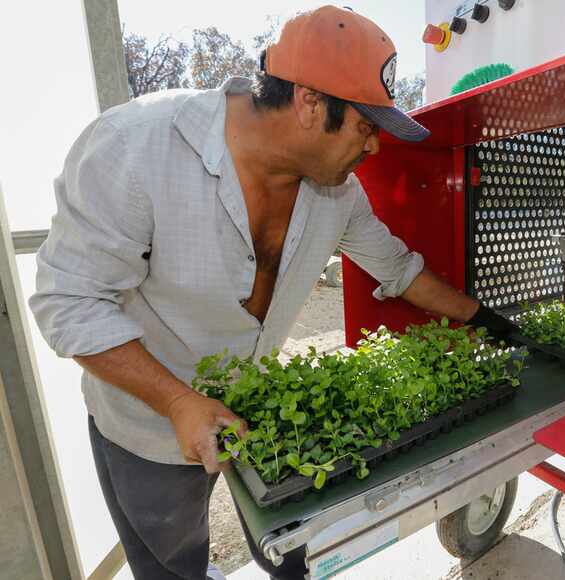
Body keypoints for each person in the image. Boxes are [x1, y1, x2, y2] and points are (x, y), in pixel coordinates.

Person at [30, 5, 519, 580]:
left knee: (290, 552)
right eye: (365, 127)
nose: (374, 148)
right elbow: (69, 302)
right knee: (172, 565)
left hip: (254, 405)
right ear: (310, 103)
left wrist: (487, 319)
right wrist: (179, 402)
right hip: (146, 422)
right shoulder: (135, 147)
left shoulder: (337, 193)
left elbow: (397, 267)